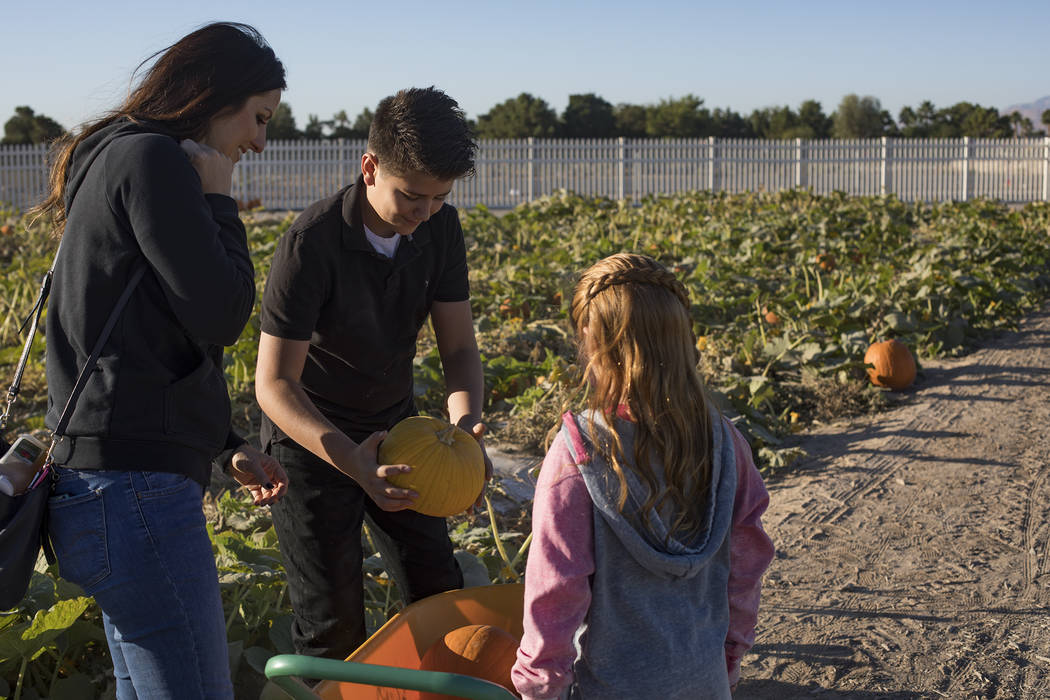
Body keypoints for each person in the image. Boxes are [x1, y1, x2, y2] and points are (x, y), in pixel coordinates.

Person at [36, 22, 289, 699]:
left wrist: (224, 442)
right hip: (136, 494)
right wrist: (217, 196)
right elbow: (223, 314)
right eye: (258, 117)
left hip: (103, 485)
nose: (259, 141)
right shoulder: (153, 161)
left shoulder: (109, 153)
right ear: (214, 95)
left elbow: (145, 337)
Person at [254, 86, 491, 661]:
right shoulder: (310, 245)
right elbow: (273, 384)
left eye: (439, 198)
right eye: (412, 196)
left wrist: (465, 428)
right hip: (312, 442)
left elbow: (458, 348)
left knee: (436, 587)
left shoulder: (440, 228)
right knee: (332, 621)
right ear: (369, 168)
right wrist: (352, 461)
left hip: (396, 430)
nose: (424, 211)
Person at [511, 253, 775, 700]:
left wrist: (539, 686)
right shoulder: (726, 443)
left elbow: (556, 589)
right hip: (704, 682)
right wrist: (728, 657)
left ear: (597, 349)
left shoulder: (578, 452)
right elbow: (747, 565)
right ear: (682, 341)